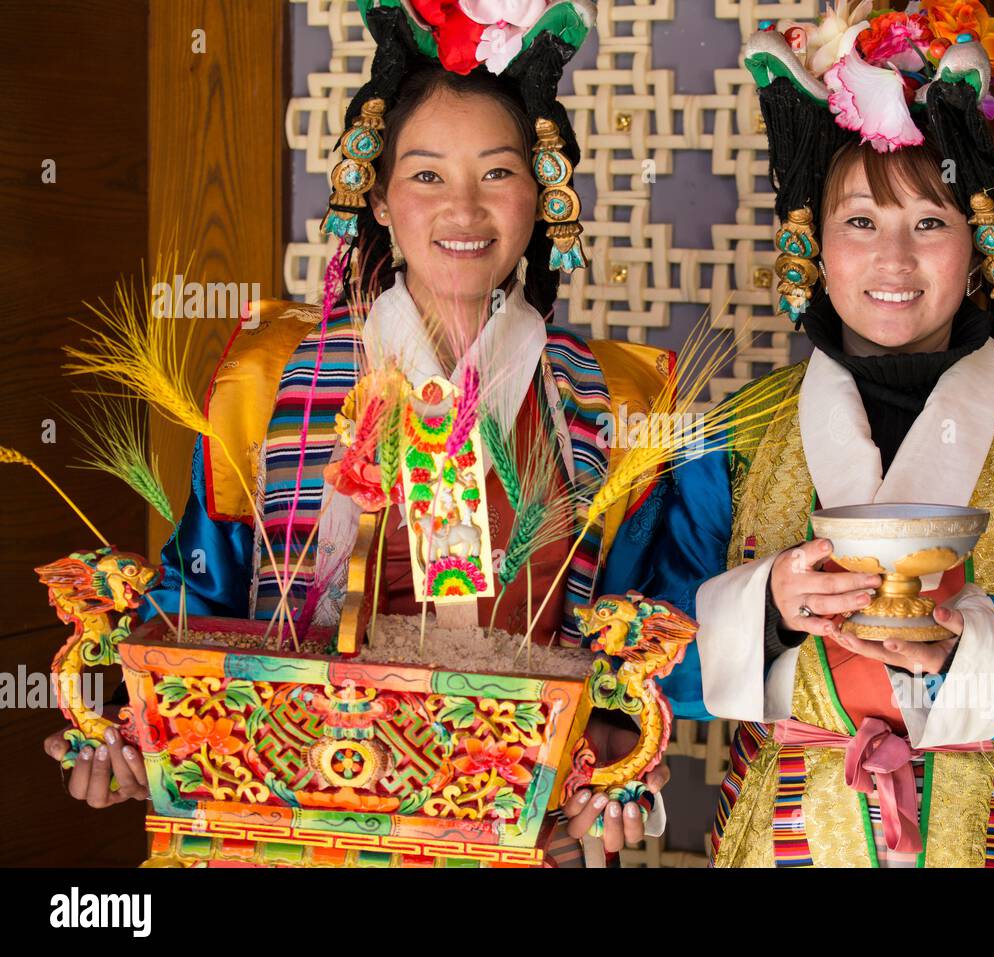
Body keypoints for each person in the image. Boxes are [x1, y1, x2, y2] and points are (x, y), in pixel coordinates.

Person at [45, 0, 666, 861]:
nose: (464, 207)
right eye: (425, 176)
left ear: (543, 191)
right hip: (288, 826)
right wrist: (131, 729)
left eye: (497, 173)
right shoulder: (265, 383)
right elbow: (200, 602)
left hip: (516, 840)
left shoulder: (615, 403)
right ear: (375, 196)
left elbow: (625, 660)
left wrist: (606, 773)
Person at [605, 0, 994, 867]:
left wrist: (959, 640)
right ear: (815, 248)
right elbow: (639, 645)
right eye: (860, 222)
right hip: (784, 833)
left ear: (981, 248)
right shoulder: (741, 434)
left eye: (931, 223)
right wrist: (770, 612)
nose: (894, 259)